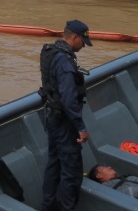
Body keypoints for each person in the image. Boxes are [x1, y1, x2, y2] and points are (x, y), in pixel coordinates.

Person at [39, 19, 93, 211]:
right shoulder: (64, 60)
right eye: (83, 42)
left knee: (53, 164)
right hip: (64, 122)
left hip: (52, 117)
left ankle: (48, 206)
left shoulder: (51, 52)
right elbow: (69, 98)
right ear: (75, 37)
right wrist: (80, 127)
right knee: (72, 170)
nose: (84, 47)